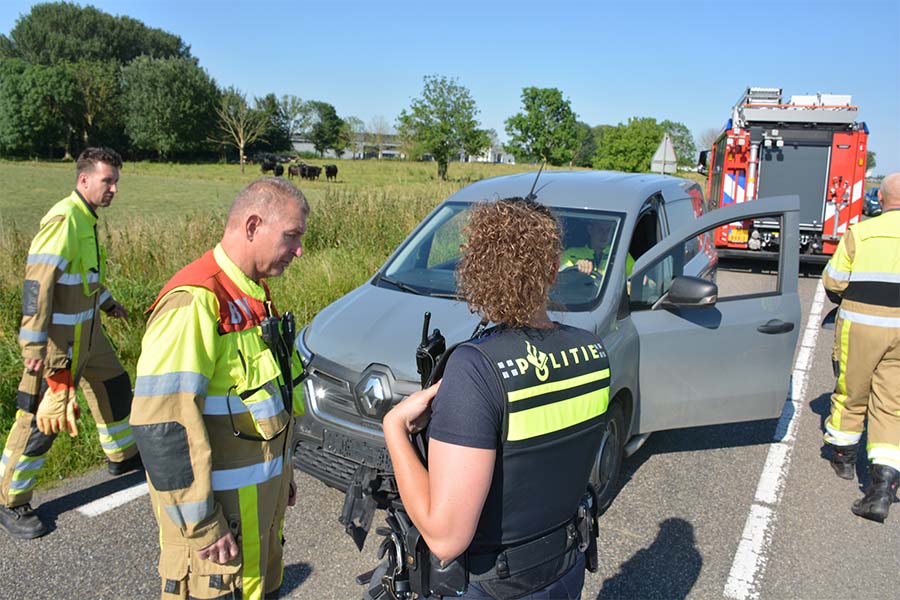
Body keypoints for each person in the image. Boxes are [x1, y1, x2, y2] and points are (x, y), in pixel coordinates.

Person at [383, 197, 611, 598]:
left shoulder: (475, 368)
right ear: (554, 270)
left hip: (493, 585)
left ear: (476, 271)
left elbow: (445, 537)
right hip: (564, 569)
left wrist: (395, 429)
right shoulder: (593, 353)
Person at [130, 178, 308, 600]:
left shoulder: (253, 296)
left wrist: (284, 474)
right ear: (252, 226)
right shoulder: (195, 302)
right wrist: (201, 523)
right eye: (291, 237)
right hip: (218, 536)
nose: (299, 250)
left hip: (256, 519)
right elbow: (161, 425)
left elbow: (268, 403)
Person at [0, 147, 141, 540]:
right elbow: (37, 284)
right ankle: (9, 499)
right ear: (84, 180)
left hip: (90, 336)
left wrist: (109, 302)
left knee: (114, 386)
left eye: (116, 182)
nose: (113, 188)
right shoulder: (64, 219)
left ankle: (122, 455)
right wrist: (33, 345)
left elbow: (85, 277)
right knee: (41, 420)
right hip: (59, 346)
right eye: (106, 181)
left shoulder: (86, 219)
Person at [822, 172, 900, 523]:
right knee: (892, 404)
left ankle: (844, 456)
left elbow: (833, 279)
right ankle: (882, 487)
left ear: (881, 200)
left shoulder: (861, 232)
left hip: (862, 324)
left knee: (852, 391)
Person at [560, 218, 634, 277]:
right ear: (590, 230)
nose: (604, 235)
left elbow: (635, 278)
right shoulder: (570, 254)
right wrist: (575, 270)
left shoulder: (621, 255)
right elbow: (560, 279)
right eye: (600, 230)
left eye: (608, 230)